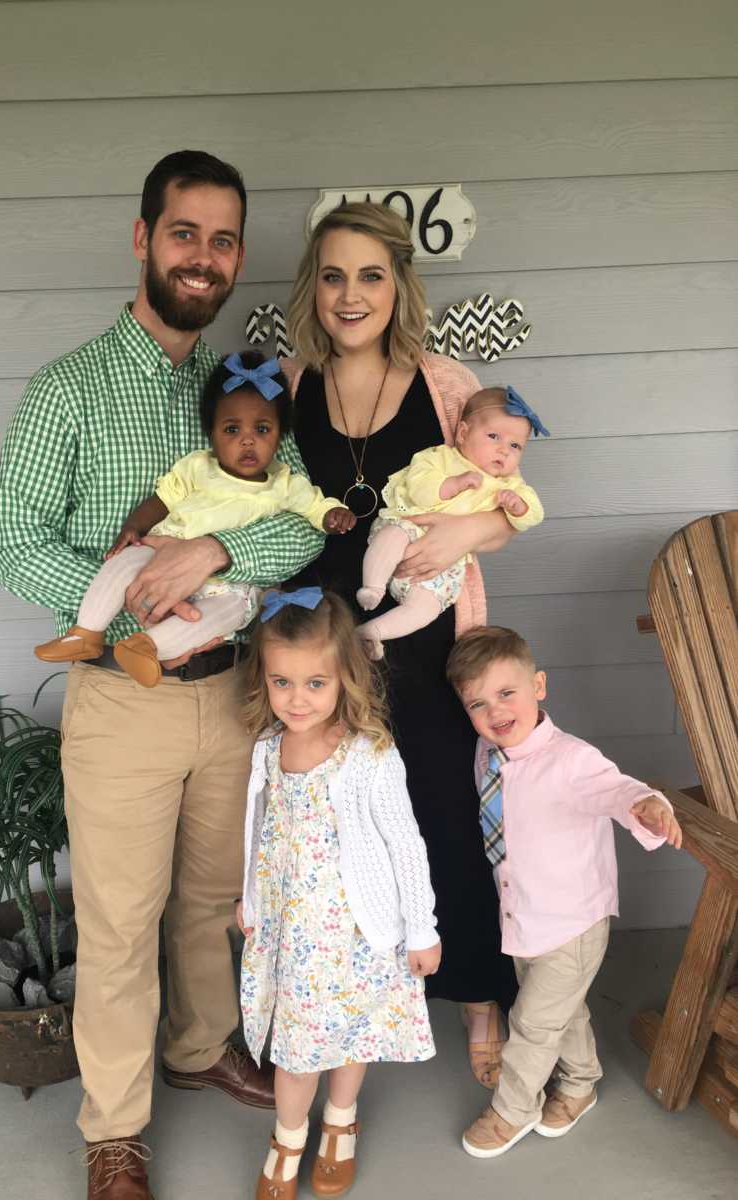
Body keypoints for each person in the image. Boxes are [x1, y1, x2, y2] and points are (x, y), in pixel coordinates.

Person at [0, 150, 325, 1200]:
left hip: (232, 692)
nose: (205, 257)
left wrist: (216, 554)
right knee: (123, 916)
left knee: (211, 896)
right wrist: (129, 587)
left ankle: (199, 1045)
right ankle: (115, 1130)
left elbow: (300, 520)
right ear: (144, 240)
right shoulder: (70, 389)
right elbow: (12, 542)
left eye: (224, 240)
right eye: (185, 234)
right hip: (124, 699)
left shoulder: (247, 391)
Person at [283, 200, 519, 1089]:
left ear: (399, 285)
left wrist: (461, 539)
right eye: (335, 275)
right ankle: (359, 1000)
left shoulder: (447, 384)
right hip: (319, 643)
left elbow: (507, 506)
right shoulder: (291, 381)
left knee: (444, 819)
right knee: (340, 827)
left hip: (422, 639)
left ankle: (478, 995)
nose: (352, 295)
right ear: (316, 285)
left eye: (371, 276)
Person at [445, 626, 682, 1159]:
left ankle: (512, 1110)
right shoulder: (489, 752)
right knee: (560, 1011)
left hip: (572, 921)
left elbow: (615, 788)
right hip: (525, 914)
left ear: (540, 686)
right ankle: (580, 1084)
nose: (496, 711)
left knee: (531, 1023)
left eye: (507, 693)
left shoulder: (572, 759)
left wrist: (645, 805)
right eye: (478, 703)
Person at [236, 588, 442, 1199]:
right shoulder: (268, 750)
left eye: (315, 684)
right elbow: (258, 833)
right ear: (265, 681)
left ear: (344, 678)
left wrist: (422, 927)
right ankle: (288, 1134)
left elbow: (405, 842)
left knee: (355, 1032)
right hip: (295, 937)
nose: (297, 700)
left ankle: (340, 1123)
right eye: (283, 683)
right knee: (296, 1049)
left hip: (357, 931)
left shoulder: (368, 755)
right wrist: (248, 895)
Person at [34, 352, 354, 686]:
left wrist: (332, 515)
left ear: (279, 434)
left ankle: (146, 647)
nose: (248, 440)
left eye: (262, 429)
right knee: (124, 562)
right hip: (163, 553)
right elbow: (161, 500)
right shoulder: (198, 467)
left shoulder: (286, 483)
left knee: (227, 612)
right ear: (212, 433)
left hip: (226, 583)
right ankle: (87, 629)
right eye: (232, 429)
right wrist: (134, 527)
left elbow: (313, 510)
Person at [357, 385, 546, 658]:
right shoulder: (440, 458)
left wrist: (519, 506)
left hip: (442, 567)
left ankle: (372, 633)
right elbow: (418, 486)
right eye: (494, 436)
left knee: (427, 608)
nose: (504, 451)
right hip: (410, 526)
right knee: (391, 536)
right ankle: (372, 587)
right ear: (463, 433)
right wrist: (452, 484)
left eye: (515, 446)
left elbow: (535, 513)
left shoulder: (509, 484)